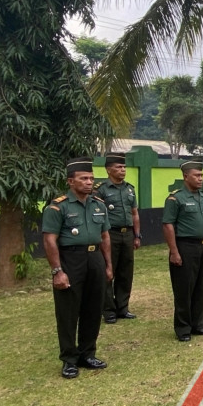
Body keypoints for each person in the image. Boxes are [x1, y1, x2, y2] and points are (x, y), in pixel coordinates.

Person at [42, 157, 113, 379]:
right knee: (68, 311)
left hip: (95, 259)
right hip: (71, 259)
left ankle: (87, 353)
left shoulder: (98, 205)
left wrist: (108, 265)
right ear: (71, 181)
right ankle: (69, 359)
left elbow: (105, 236)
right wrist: (57, 271)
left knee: (93, 309)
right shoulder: (57, 206)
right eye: (84, 178)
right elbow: (49, 240)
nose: (89, 182)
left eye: (91, 178)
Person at [162, 161, 203, 341]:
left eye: (202, 175)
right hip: (185, 246)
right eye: (196, 176)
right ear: (186, 177)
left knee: (202, 287)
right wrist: (174, 251)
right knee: (184, 288)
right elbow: (168, 225)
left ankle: (199, 324)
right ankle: (183, 328)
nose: (200, 179)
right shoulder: (175, 199)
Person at [96, 152, 140, 324]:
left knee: (125, 271)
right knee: (108, 271)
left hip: (127, 234)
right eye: (118, 167)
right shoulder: (101, 189)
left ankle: (123, 307)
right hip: (109, 234)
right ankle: (108, 310)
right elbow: (97, 215)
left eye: (124, 167)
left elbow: (134, 213)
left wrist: (137, 235)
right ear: (108, 170)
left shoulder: (129, 189)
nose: (122, 170)